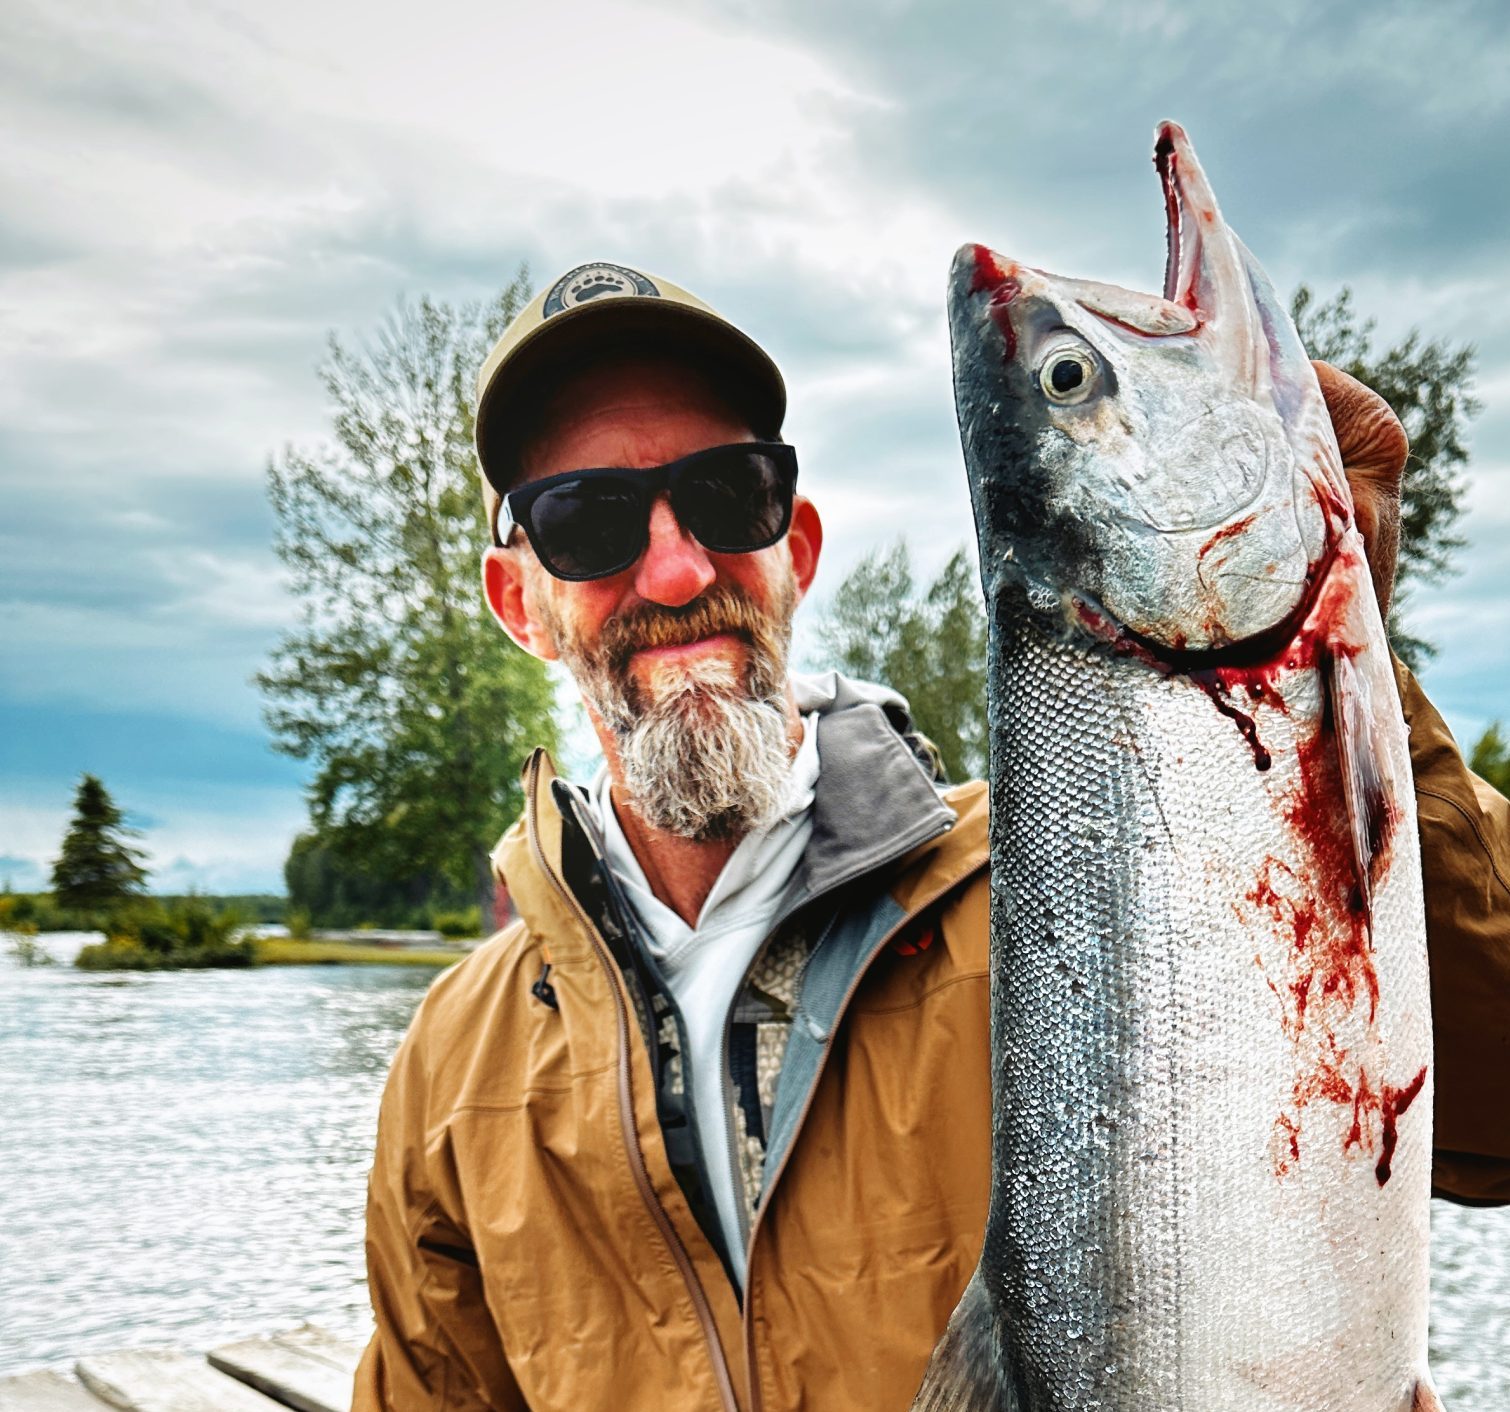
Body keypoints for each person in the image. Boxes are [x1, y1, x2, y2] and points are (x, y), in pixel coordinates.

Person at [353, 262, 1510, 1412]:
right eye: (587, 520)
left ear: (794, 548)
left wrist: (1323, 699)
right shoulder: (454, 1066)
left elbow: (1493, 1104)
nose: (674, 567)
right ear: (520, 605)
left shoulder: (1097, 873)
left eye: (726, 493)